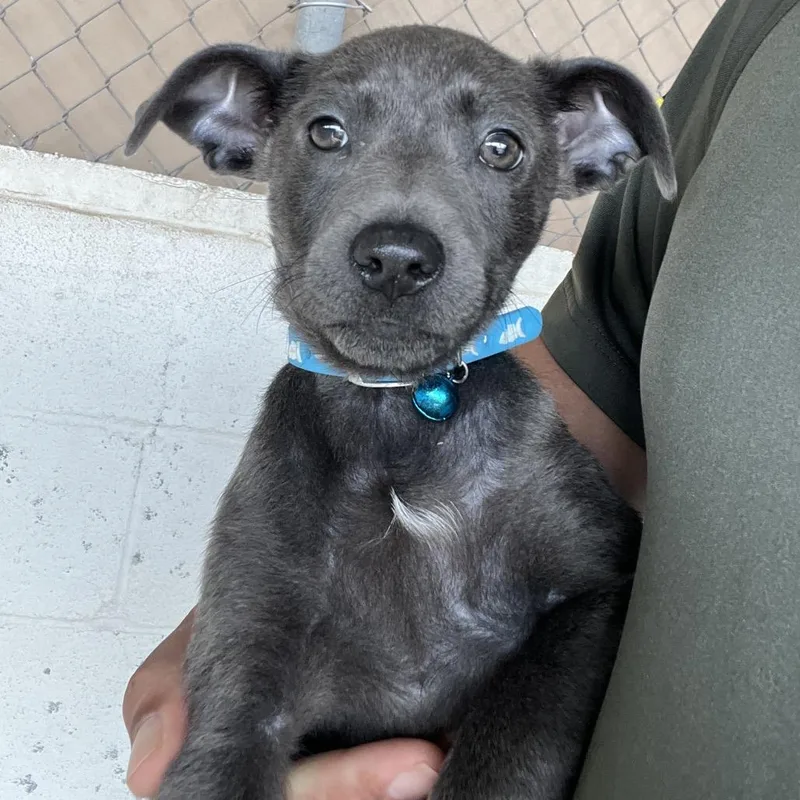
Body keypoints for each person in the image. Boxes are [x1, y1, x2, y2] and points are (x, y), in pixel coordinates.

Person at [122, 0, 800, 796]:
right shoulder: (761, 35)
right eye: (329, 133)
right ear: (240, 128)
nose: (400, 242)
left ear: (583, 150)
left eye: (499, 149)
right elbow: (221, 744)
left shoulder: (522, 443)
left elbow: (597, 593)